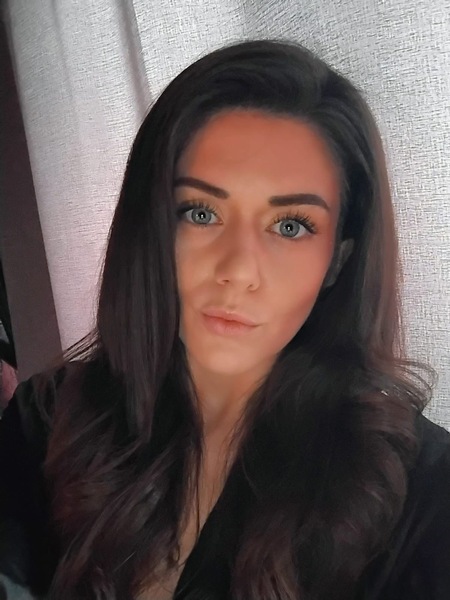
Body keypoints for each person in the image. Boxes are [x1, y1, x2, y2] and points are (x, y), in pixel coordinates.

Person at [0, 39, 449, 600]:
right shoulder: (47, 422)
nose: (237, 270)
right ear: (152, 227)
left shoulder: (423, 493)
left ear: (339, 259)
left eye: (290, 225)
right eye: (201, 212)